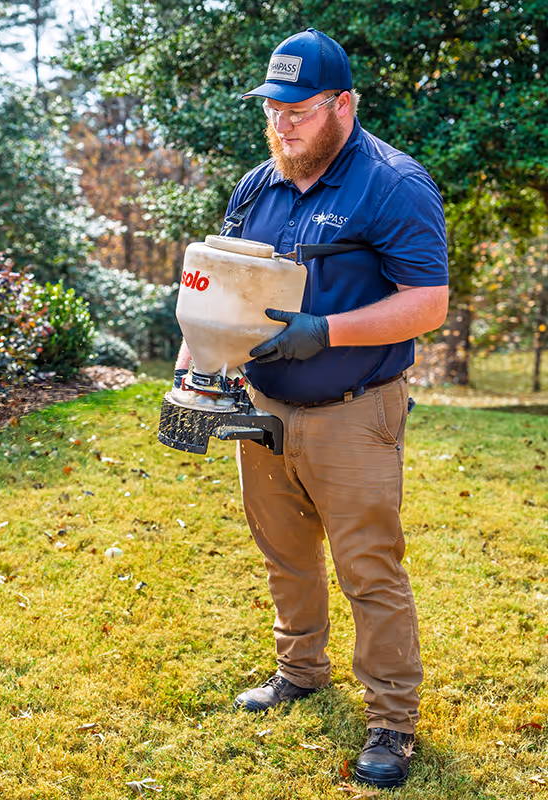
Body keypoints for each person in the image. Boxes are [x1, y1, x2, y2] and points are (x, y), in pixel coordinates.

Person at [175, 28, 449, 789]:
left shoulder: (392, 184)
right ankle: (300, 669)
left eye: (299, 108)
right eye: (274, 107)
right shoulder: (257, 186)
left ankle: (391, 720)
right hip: (263, 406)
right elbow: (219, 293)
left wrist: (323, 332)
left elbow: (428, 302)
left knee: (368, 567)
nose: (284, 122)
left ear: (342, 104)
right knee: (284, 552)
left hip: (352, 411)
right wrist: (195, 375)